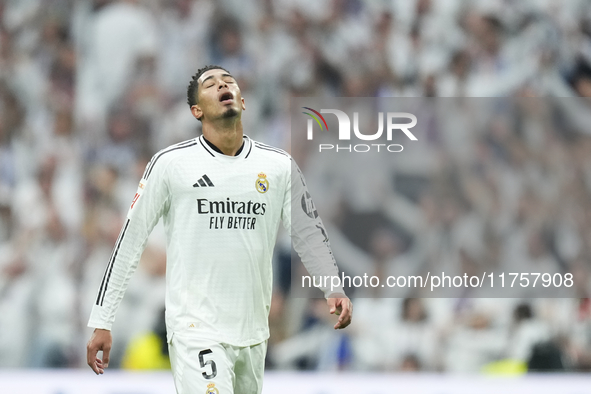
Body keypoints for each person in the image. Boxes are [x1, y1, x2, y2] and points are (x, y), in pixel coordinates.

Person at [86, 65, 352, 394]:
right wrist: (103, 318)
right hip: (195, 328)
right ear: (197, 110)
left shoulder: (278, 166)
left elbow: (308, 232)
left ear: (243, 101)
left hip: (253, 332)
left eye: (229, 82)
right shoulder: (171, 164)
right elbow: (130, 240)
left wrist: (332, 286)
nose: (223, 85)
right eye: (211, 84)